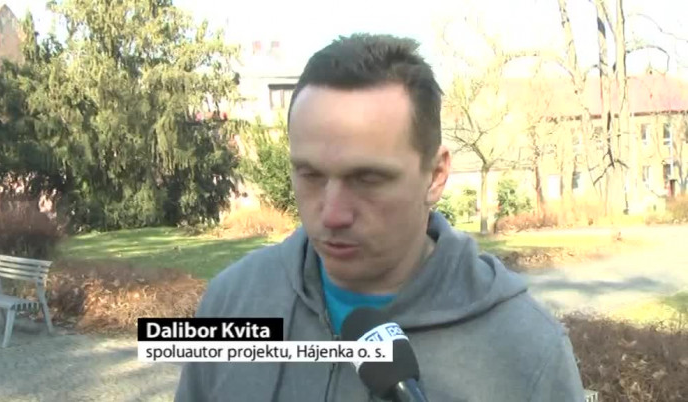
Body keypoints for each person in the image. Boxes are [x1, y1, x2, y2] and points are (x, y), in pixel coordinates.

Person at [175, 33, 586, 401]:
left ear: (436, 175)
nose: (332, 214)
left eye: (368, 179)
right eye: (311, 175)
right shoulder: (231, 302)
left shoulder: (527, 350)